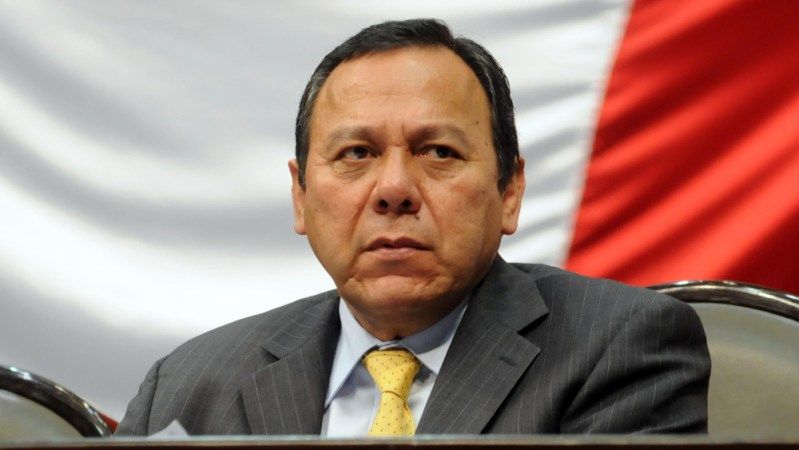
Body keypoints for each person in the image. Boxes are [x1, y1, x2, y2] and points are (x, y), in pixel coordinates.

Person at [116, 18, 710, 437]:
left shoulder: (620, 349)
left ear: (510, 191)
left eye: (438, 152)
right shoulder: (188, 385)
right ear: (300, 196)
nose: (394, 189)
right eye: (356, 153)